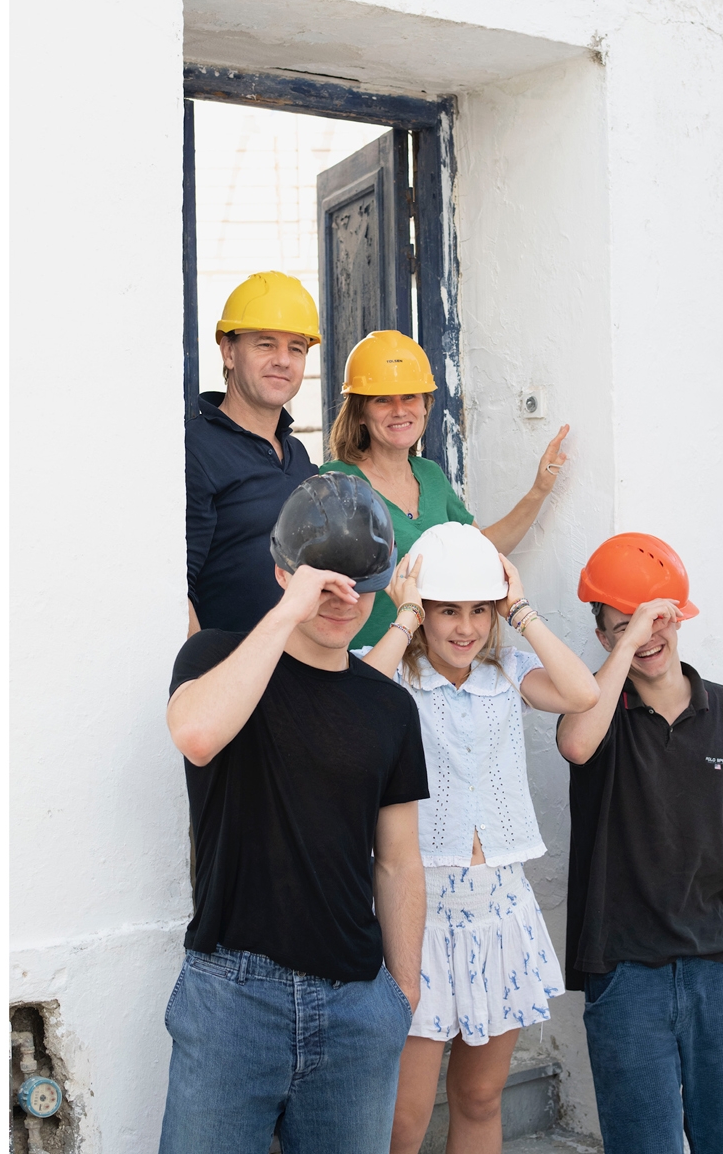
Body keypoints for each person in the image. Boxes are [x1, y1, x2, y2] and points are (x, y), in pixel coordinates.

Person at [159, 472, 429, 1154]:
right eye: (326, 583)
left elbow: (398, 861)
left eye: (361, 584)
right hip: (233, 998)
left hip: (356, 1005)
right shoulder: (217, 656)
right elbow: (196, 735)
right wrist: (287, 609)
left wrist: (399, 997)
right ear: (284, 572)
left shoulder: (389, 707)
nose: (345, 600)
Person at [354, 523, 599, 1154]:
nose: (465, 628)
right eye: (447, 611)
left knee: (481, 1097)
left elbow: (582, 691)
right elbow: (349, 703)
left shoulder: (509, 672)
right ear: (424, 612)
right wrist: (402, 614)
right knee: (401, 1116)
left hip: (500, 913)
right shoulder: (395, 681)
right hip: (421, 920)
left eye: (479, 611)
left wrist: (521, 611)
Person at [556, 533, 723, 1154]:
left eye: (654, 620)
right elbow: (575, 744)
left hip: (714, 964)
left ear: (678, 618)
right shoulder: (599, 707)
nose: (645, 638)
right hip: (624, 971)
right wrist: (627, 643)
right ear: (602, 639)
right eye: (622, 627)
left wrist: (679, 840)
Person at [318, 328, 570, 651]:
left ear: (426, 405)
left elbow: (485, 550)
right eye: (382, 399)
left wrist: (539, 491)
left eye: (410, 396)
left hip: (434, 666)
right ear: (361, 413)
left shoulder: (431, 475)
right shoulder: (336, 483)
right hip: (370, 667)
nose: (399, 410)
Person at [186, 270, 321, 636]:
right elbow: (173, 586)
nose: (283, 360)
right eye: (265, 344)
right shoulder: (194, 450)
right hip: (232, 678)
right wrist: (203, 680)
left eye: (296, 348)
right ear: (229, 352)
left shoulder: (300, 456)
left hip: (298, 676)